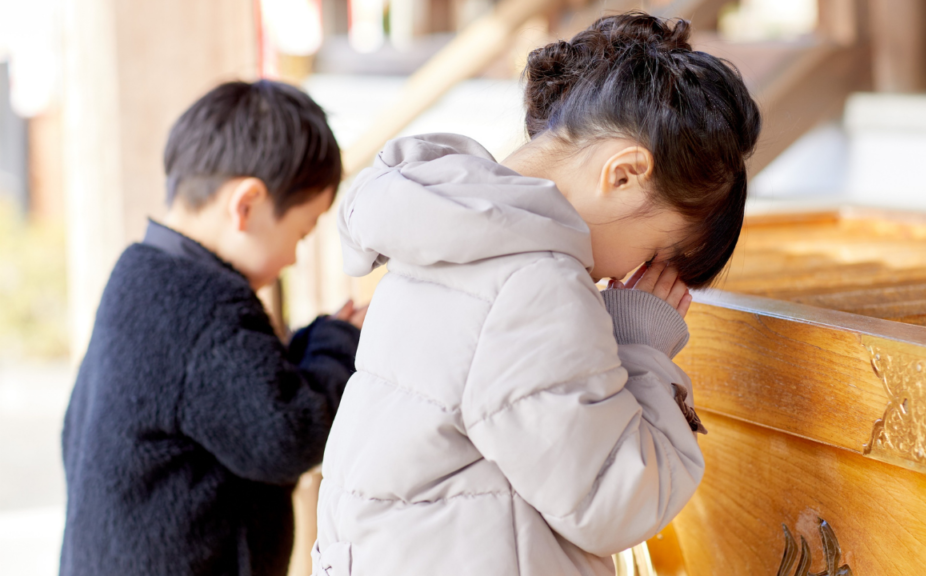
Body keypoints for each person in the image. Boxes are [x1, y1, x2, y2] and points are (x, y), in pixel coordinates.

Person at [313, 12, 760, 576]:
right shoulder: (537, 282)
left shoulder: (451, 228)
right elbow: (614, 500)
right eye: (653, 258)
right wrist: (641, 350)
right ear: (623, 175)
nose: (630, 281)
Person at [60, 80, 363, 576]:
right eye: (301, 232)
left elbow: (245, 387)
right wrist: (340, 346)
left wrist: (318, 338)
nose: (293, 256)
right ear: (245, 205)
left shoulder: (142, 276)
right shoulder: (203, 309)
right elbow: (288, 435)